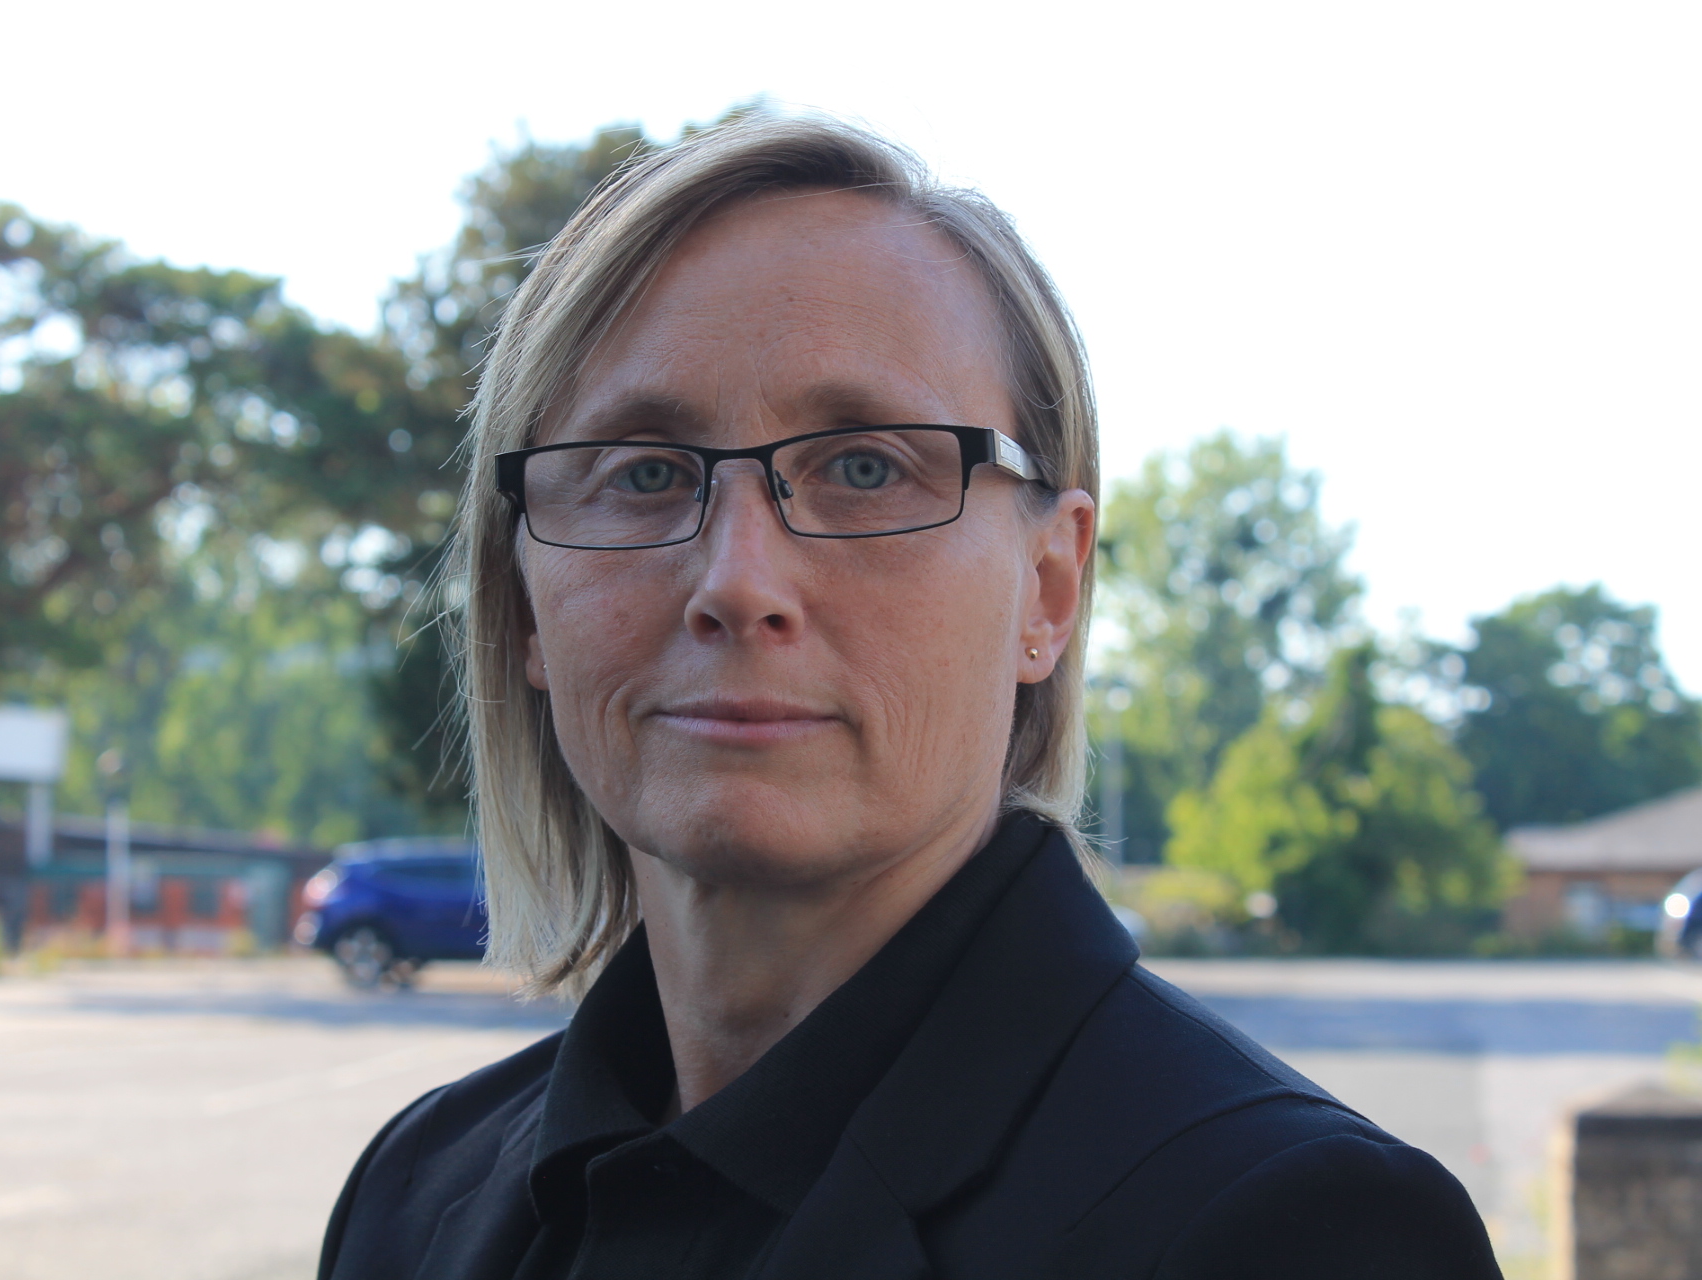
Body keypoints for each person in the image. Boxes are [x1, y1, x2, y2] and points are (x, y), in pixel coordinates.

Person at [318, 113, 1500, 1280]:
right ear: (525, 604)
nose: (738, 581)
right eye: (644, 473)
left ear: (1049, 587)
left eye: (865, 467)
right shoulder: (415, 1194)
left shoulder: (1295, 1227)